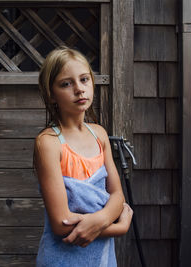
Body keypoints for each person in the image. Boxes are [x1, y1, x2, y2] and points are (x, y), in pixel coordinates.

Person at [34, 46, 133, 267]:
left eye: (84, 80)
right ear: (51, 94)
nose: (79, 89)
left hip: (101, 259)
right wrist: (120, 226)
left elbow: (117, 195)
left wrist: (98, 219)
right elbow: (62, 225)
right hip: (61, 259)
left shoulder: (99, 134)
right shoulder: (49, 143)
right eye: (66, 84)